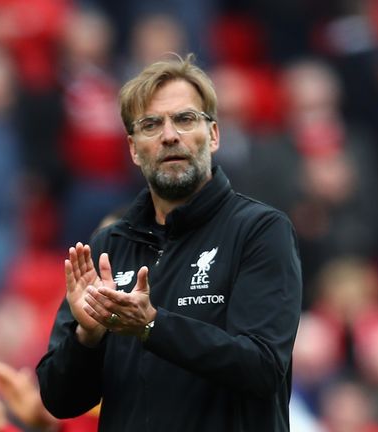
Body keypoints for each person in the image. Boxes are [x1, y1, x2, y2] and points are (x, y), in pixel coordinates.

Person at [36, 54, 302, 431]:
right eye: (150, 124)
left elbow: (262, 368)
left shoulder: (260, 230)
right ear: (132, 148)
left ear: (213, 134)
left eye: (184, 118)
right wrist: (87, 336)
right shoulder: (107, 245)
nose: (169, 134)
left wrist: (152, 327)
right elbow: (60, 401)